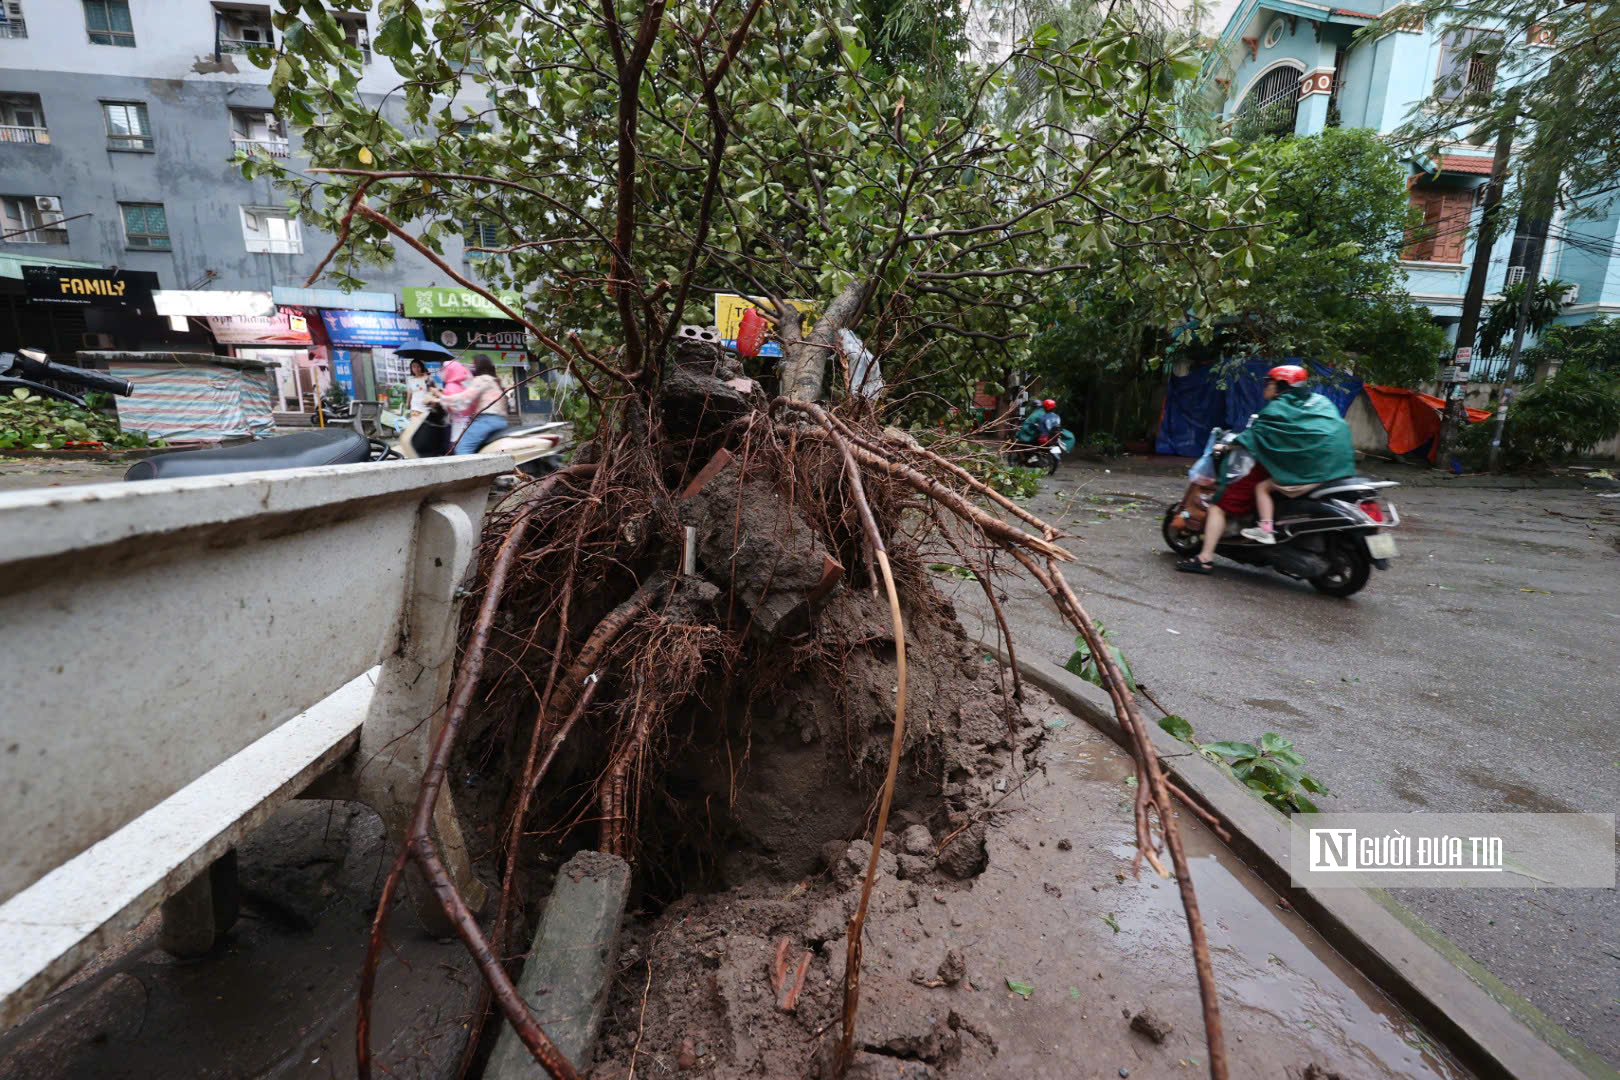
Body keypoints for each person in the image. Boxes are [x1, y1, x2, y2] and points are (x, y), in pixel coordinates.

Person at [1176, 365, 1355, 573]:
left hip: (1305, 473)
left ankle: (1205, 558)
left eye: (1268, 382)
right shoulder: (1320, 403)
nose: (1266, 386)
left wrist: (1225, 446)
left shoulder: (1278, 409)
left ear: (1280, 385)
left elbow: (1253, 437)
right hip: (1335, 471)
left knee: (1221, 504)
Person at [435, 355, 510, 454]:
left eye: (473, 365)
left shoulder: (481, 380)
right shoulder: (494, 381)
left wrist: (441, 398)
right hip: (500, 421)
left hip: (486, 421)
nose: (471, 368)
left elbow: (465, 399)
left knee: (462, 447)